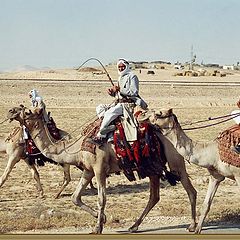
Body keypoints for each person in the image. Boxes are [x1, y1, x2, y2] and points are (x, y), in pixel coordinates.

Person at [90, 58, 148, 146]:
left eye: (122, 67)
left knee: (110, 113)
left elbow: (134, 92)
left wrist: (119, 89)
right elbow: (118, 95)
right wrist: (112, 92)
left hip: (128, 104)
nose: (121, 68)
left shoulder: (132, 76)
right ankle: (108, 126)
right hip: (119, 103)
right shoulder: (120, 77)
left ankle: (101, 135)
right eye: (119, 67)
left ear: (126, 66)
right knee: (100, 108)